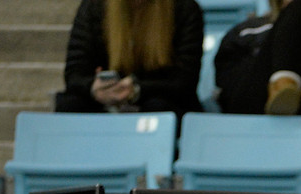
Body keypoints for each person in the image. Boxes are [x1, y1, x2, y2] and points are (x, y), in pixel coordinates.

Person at [55, 0, 203, 117]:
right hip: (103, 101)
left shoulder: (184, 8)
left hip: (159, 99)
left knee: (158, 108)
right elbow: (74, 73)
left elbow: (185, 81)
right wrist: (94, 88)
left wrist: (137, 89)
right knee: (70, 104)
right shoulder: (93, 6)